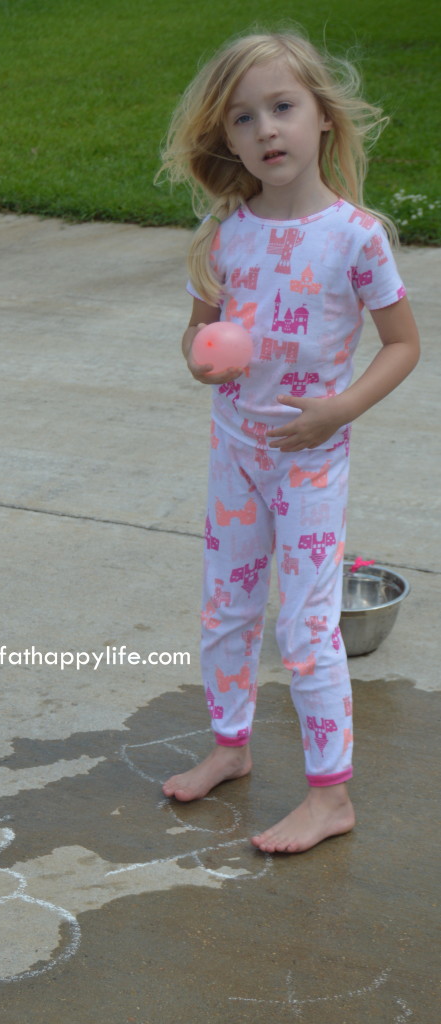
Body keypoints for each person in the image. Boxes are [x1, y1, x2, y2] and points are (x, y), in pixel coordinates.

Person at [158, 30, 420, 853]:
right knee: (226, 607)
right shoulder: (224, 232)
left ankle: (329, 794)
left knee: (305, 626)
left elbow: (404, 343)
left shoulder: (354, 236)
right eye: (243, 118)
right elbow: (197, 338)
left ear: (321, 120)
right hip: (234, 449)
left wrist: (338, 408)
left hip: (309, 459)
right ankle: (230, 746)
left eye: (281, 107)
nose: (265, 129)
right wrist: (203, 359)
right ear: (225, 137)